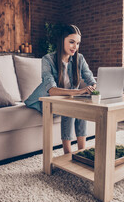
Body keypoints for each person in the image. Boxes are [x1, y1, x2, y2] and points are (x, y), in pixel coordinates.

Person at [24, 24, 96, 154]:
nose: (75, 47)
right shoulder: (48, 59)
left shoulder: (79, 58)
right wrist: (79, 92)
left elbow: (91, 79)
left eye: (78, 43)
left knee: (81, 106)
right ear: (62, 40)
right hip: (45, 101)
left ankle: (82, 152)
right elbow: (51, 90)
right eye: (72, 42)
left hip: (67, 99)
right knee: (70, 106)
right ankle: (67, 154)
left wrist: (93, 88)